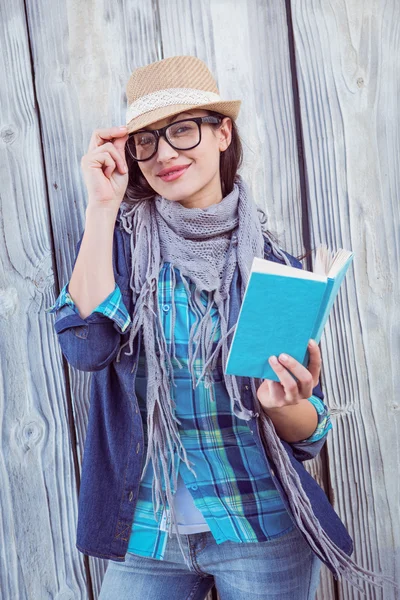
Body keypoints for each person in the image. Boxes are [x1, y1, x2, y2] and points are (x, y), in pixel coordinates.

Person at [46, 55, 396, 599]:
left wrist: (286, 406)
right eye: (146, 140)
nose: (165, 154)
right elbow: (87, 346)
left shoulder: (276, 267)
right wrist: (101, 208)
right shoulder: (121, 245)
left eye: (183, 130)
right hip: (147, 531)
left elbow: (312, 431)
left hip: (261, 525)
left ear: (222, 132)